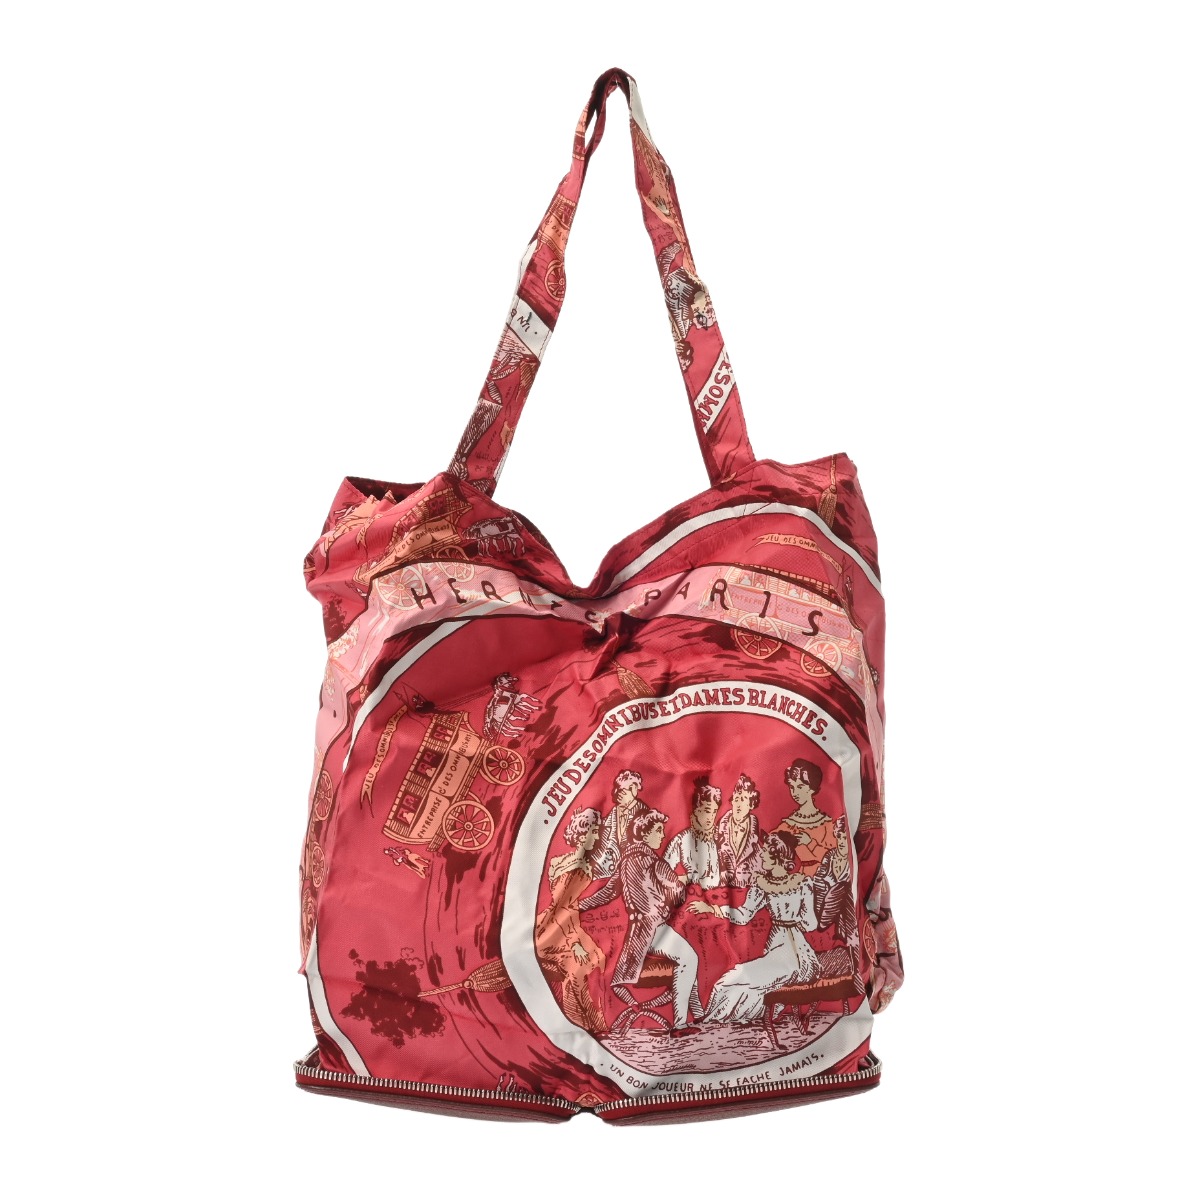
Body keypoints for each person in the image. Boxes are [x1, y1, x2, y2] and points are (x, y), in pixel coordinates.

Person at [690, 831, 821, 1024]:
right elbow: (743, 915)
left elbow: (811, 924)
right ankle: (719, 1017)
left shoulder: (803, 884)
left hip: (796, 955)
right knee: (734, 977)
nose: (761, 855)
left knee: (746, 978)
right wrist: (713, 909)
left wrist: (794, 916)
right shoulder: (763, 884)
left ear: (778, 856)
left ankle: (719, 1018)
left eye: (766, 851)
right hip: (775, 946)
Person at [612, 809, 702, 1035]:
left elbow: (608, 893)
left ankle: (698, 1011)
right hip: (655, 930)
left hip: (637, 935)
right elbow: (677, 892)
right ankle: (680, 1024)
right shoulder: (655, 862)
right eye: (659, 831)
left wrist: (580, 904)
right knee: (689, 959)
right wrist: (683, 882)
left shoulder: (626, 861)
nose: (662, 836)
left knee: (687, 957)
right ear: (645, 834)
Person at [534, 808, 609, 1035]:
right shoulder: (570, 865)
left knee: (598, 958)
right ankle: (578, 1022)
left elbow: (572, 907)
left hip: (570, 923)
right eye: (593, 832)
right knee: (577, 965)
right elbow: (562, 907)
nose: (597, 837)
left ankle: (595, 1018)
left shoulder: (583, 863)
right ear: (582, 834)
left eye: (597, 832)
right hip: (553, 927)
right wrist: (574, 943)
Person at [776, 758, 839, 877]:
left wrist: (810, 842)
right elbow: (770, 845)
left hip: (825, 877)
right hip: (797, 878)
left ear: (812, 787)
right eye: (792, 787)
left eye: (800, 787)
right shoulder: (788, 825)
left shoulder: (827, 825)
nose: (795, 793)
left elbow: (835, 856)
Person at [664, 777, 722, 887]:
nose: (711, 817)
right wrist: (682, 879)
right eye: (707, 811)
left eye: (714, 811)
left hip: (715, 894)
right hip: (687, 894)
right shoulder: (682, 839)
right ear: (696, 809)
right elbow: (663, 871)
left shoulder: (715, 841)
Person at [717, 772, 763, 887]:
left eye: (743, 799)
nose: (739, 804)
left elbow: (763, 868)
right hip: (719, 890)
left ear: (751, 804)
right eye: (736, 799)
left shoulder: (758, 836)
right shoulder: (717, 832)